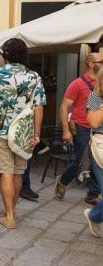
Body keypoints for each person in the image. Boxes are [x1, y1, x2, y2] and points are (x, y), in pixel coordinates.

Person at [0, 38, 45, 229]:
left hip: (0, 130)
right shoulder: (34, 77)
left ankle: (9, 215)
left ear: (5, 56)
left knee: (6, 172)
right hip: (23, 132)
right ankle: (12, 209)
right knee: (19, 172)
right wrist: (37, 133)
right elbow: (39, 107)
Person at [56, 53, 103, 207]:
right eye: (101, 61)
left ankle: (92, 195)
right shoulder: (77, 84)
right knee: (81, 161)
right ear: (90, 64)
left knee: (98, 163)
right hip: (83, 128)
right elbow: (64, 107)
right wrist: (66, 130)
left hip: (99, 128)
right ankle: (63, 180)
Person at [84, 68, 103, 238]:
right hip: (101, 147)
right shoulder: (96, 96)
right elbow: (94, 121)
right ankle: (94, 216)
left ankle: (95, 215)